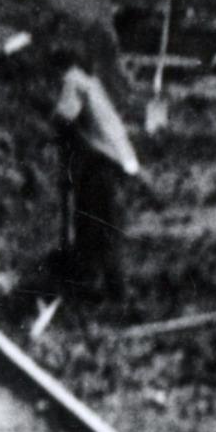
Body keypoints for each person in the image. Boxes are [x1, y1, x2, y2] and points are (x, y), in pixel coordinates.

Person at [46, 45, 141, 307]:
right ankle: (104, 287)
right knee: (100, 225)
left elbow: (64, 116)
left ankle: (109, 292)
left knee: (98, 226)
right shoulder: (91, 83)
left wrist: (52, 124)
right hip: (119, 160)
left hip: (104, 163)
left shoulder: (73, 80)